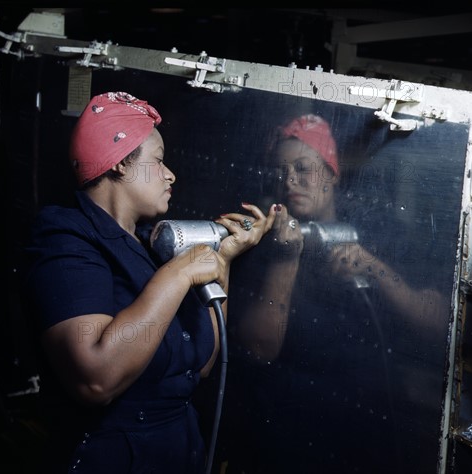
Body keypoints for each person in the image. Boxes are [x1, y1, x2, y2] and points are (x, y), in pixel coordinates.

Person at [22, 91, 277, 474]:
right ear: (122, 164)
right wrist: (179, 273)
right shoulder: (66, 238)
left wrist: (221, 260)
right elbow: (95, 379)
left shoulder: (145, 244)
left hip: (178, 449)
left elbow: (202, 366)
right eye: (158, 161)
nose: (171, 173)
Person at [221, 114, 447, 474]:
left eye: (303, 168)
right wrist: (285, 258)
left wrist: (375, 269)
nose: (290, 180)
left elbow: (439, 324)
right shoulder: (260, 243)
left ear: (332, 172)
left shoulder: (379, 230)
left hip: (369, 428)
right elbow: (259, 348)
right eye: (281, 171)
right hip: (287, 430)